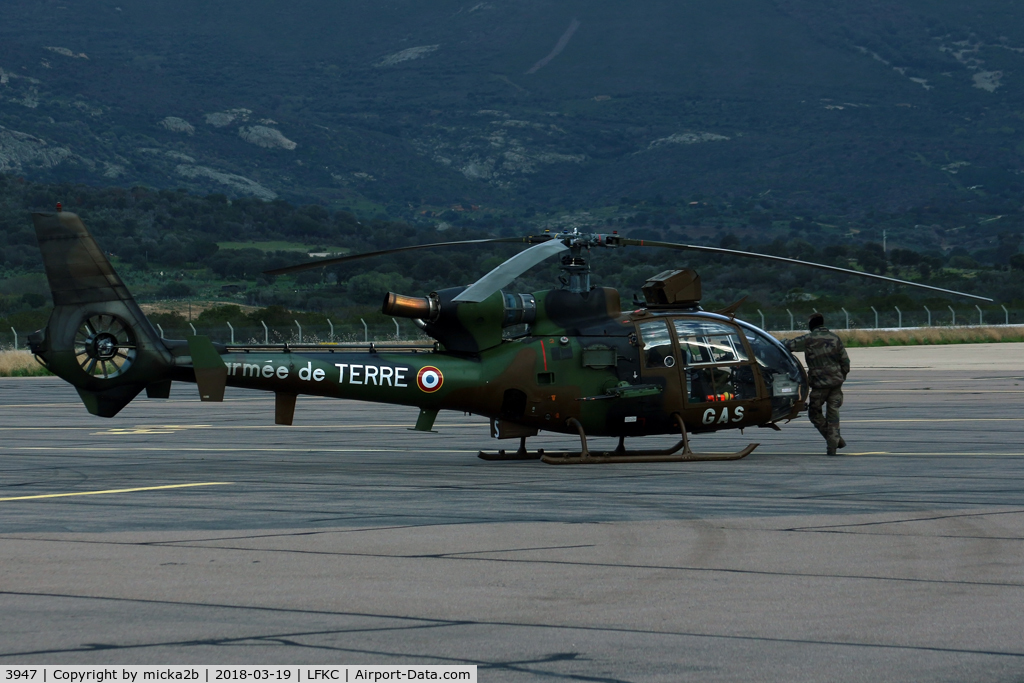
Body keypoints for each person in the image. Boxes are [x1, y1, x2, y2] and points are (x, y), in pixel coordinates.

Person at [785, 313, 850, 455]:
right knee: (833, 415)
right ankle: (834, 443)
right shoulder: (835, 338)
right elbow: (845, 362)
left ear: (812, 324)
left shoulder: (808, 339)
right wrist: (840, 376)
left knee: (814, 413)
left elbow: (788, 345)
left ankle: (834, 440)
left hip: (819, 384)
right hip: (836, 383)